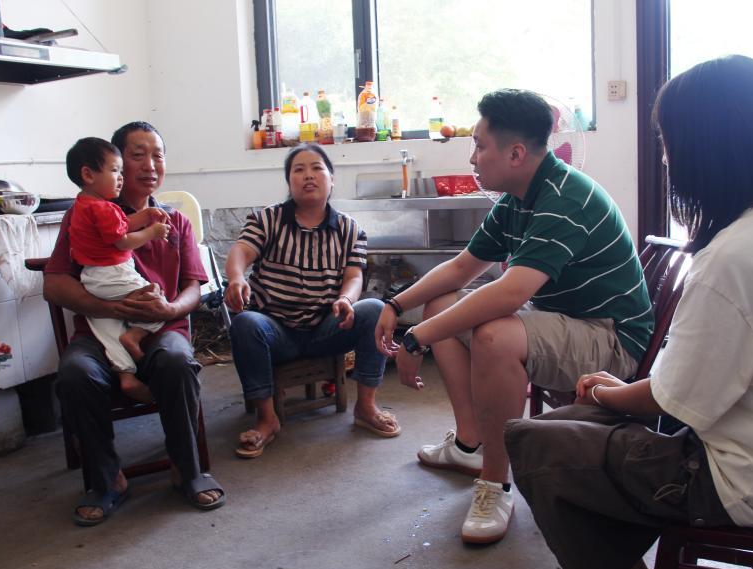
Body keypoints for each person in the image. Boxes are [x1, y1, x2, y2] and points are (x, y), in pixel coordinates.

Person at [505, 55, 753, 569]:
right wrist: (609, 395)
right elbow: (701, 378)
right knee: (574, 422)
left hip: (746, 483)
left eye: (668, 143)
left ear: (703, 149)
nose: (666, 160)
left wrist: (606, 390)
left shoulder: (730, 260)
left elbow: (671, 401)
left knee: (535, 443)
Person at [374, 89, 652, 544]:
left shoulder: (564, 198)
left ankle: (495, 483)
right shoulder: (518, 198)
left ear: (516, 153)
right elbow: (462, 268)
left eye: (479, 145)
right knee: (442, 305)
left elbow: (512, 293)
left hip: (610, 339)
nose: (472, 158)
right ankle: (470, 444)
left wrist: (415, 338)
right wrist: (396, 305)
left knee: (495, 335)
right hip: (564, 320)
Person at [45, 121, 224, 526]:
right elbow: (54, 285)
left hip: (161, 328)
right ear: (114, 164)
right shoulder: (84, 214)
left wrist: (169, 311)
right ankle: (107, 481)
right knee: (75, 373)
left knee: (177, 361)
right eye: (137, 155)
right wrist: (112, 307)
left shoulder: (175, 221)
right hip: (100, 330)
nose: (150, 165)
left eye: (157, 155)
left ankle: (187, 470)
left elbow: (193, 287)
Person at [225, 143, 398, 458]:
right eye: (299, 170)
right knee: (245, 323)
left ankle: (366, 406)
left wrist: (346, 299)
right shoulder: (267, 219)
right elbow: (241, 251)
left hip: (325, 330)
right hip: (275, 332)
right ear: (289, 181)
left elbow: (354, 277)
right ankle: (267, 419)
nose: (308, 175)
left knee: (375, 309)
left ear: (332, 179)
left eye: (317, 168)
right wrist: (236, 278)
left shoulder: (350, 229)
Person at [64, 136, 172, 403]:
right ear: (88, 174)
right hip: (113, 273)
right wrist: (152, 231)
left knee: (109, 331)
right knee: (156, 300)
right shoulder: (104, 208)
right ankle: (134, 336)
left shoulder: (83, 205)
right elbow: (122, 240)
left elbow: (120, 224)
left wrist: (145, 215)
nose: (120, 178)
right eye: (115, 170)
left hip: (92, 280)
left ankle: (126, 376)